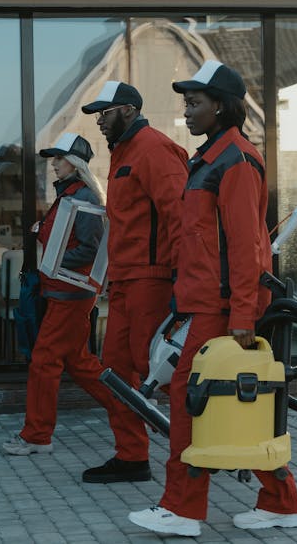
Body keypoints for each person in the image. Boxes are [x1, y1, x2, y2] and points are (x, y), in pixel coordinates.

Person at [128, 61, 297, 537]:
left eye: (194, 103)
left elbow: (248, 246)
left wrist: (243, 315)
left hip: (224, 308)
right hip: (205, 302)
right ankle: (282, 502)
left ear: (221, 107)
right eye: (186, 103)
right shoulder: (209, 160)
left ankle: (182, 509)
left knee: (193, 399)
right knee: (237, 402)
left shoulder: (236, 162)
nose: (186, 112)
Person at [79, 81, 190, 484]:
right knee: (114, 370)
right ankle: (131, 456)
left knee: (157, 370)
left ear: (128, 109)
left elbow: (180, 216)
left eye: (104, 113)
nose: (99, 121)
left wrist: (183, 279)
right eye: (97, 115)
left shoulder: (155, 149)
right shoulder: (123, 152)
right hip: (126, 282)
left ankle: (199, 452)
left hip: (153, 279)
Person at [1, 133, 131, 456]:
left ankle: (37, 436)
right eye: (54, 158)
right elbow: (67, 239)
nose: (54, 164)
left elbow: (90, 248)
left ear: (75, 163)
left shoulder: (82, 196)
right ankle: (130, 408)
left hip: (69, 295)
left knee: (44, 361)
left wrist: (52, 260)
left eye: (60, 158)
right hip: (64, 292)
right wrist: (41, 233)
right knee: (80, 362)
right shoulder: (70, 195)